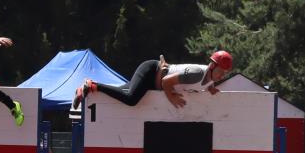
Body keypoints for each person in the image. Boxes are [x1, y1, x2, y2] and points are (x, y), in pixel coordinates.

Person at [74, 51, 234, 110]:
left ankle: (85, 90)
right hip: (151, 71)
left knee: (120, 92)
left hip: (154, 79)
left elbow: (205, 84)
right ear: (212, 66)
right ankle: (91, 84)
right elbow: (166, 82)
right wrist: (171, 97)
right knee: (131, 99)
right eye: (221, 72)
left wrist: (210, 88)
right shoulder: (197, 73)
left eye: (225, 74)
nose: (222, 76)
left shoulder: (209, 78)